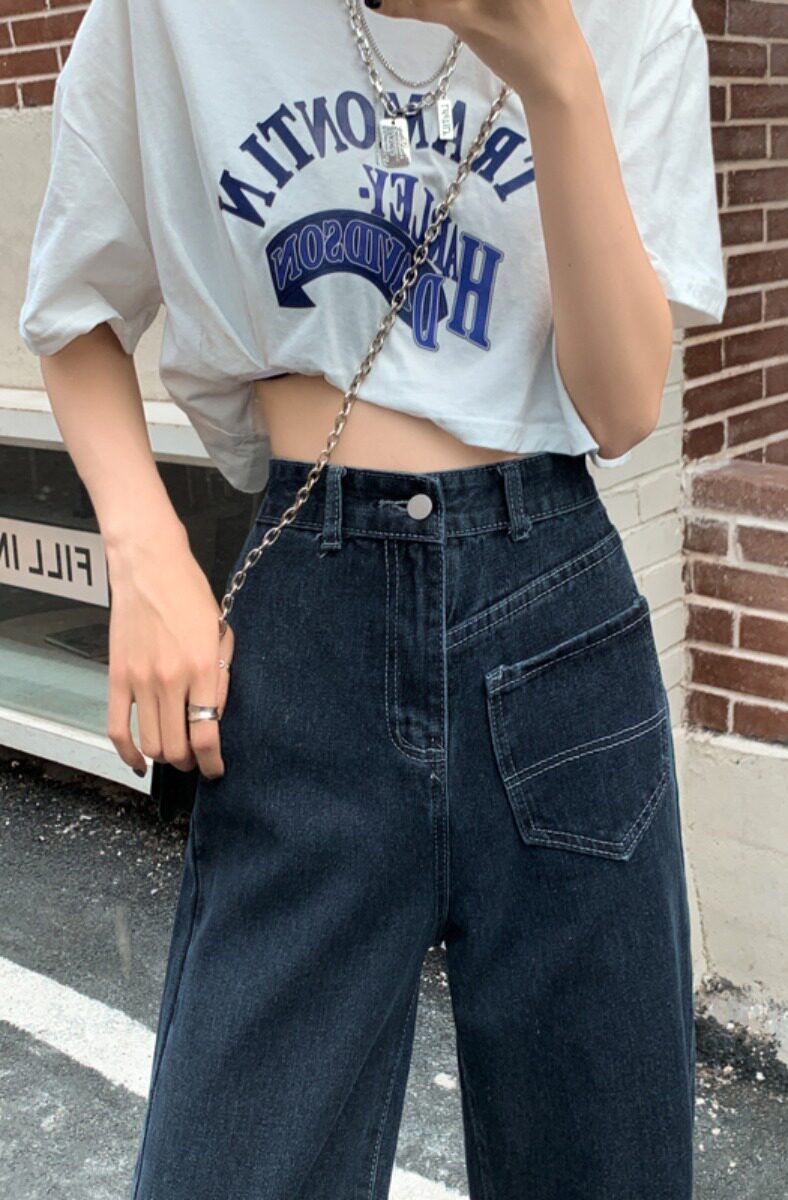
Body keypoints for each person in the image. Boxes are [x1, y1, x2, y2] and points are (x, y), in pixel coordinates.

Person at [18, 0, 727, 1196]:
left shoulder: (630, 16)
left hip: (553, 623)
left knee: (600, 1163)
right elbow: (75, 308)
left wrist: (553, 67)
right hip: (309, 615)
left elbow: (618, 407)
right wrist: (145, 553)